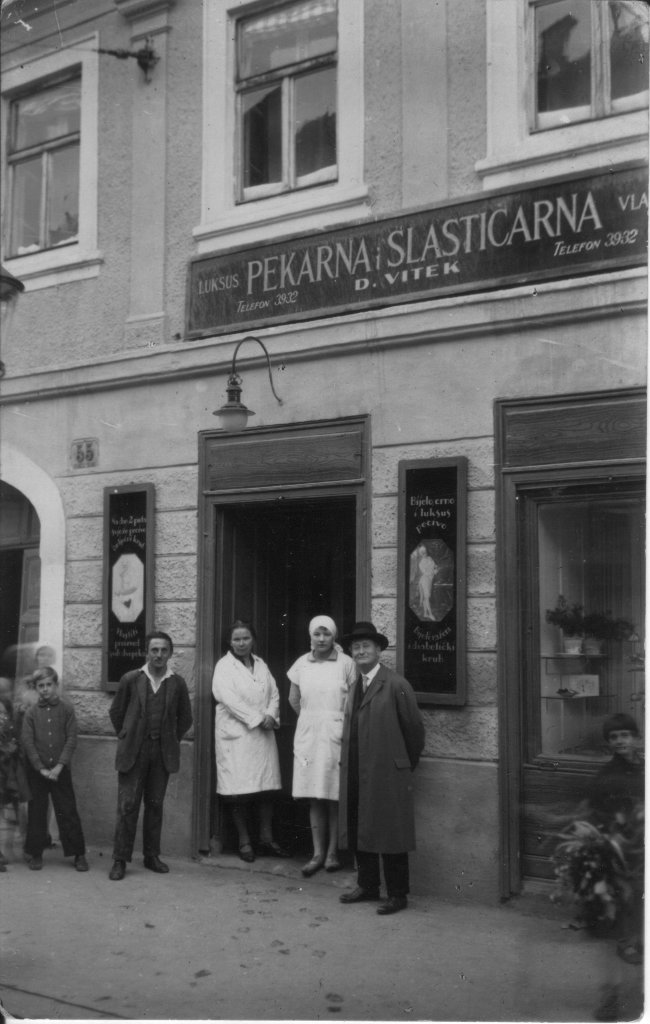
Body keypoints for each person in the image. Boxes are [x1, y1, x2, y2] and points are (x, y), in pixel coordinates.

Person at [338, 621, 425, 915]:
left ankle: (398, 894)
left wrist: (401, 765)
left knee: (391, 832)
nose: (360, 651)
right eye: (356, 647)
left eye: (366, 646)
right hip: (357, 769)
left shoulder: (396, 685)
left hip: (388, 772)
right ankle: (368, 886)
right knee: (360, 827)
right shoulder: (355, 686)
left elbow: (414, 731)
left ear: (378, 651)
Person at [108, 631, 192, 880]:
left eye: (164, 650)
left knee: (155, 805)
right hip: (134, 751)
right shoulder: (131, 679)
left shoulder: (177, 683)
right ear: (147, 652)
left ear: (170, 653)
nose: (159, 655)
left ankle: (151, 856)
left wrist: (169, 739)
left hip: (161, 752)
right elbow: (116, 713)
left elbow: (185, 718)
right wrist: (128, 736)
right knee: (128, 805)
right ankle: (120, 859)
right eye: (154, 650)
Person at [212, 619, 288, 862]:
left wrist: (271, 715)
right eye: (237, 639)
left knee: (266, 789)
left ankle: (266, 838)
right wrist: (257, 718)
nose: (242, 643)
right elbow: (228, 699)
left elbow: (274, 693)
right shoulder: (224, 667)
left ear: (253, 640)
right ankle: (244, 841)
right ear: (229, 642)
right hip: (238, 736)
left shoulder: (261, 664)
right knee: (238, 790)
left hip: (263, 734)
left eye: (246, 638)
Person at [288, 615, 356, 877]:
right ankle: (317, 853)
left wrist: (334, 722)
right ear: (310, 636)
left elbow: (352, 702)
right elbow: (294, 699)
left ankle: (332, 853)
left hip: (335, 733)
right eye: (317, 634)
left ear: (334, 636)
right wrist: (311, 720)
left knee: (333, 794)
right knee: (314, 794)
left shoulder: (346, 664)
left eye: (326, 634)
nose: (321, 639)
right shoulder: (301, 664)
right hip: (309, 734)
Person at [20, 667, 88, 872]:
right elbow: (28, 742)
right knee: (37, 811)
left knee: (68, 810)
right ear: (36, 688)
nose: (45, 689)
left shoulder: (66, 709)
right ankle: (36, 853)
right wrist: (40, 768)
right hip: (38, 772)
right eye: (41, 686)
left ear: (56, 685)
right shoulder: (31, 713)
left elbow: (71, 739)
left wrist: (59, 766)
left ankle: (78, 854)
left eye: (49, 685)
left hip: (60, 770)